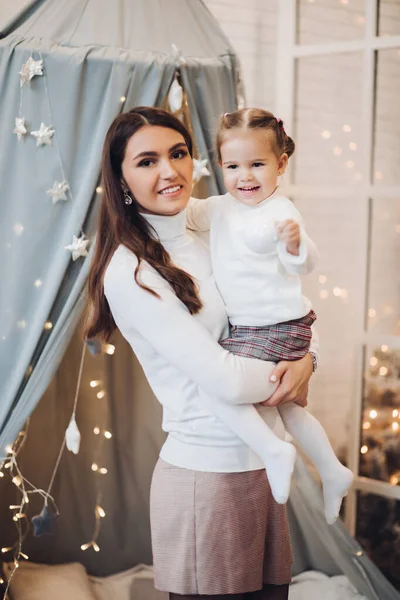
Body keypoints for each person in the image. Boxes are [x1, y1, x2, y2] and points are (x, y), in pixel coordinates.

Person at [85, 106, 318, 600]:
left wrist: (307, 359)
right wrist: (293, 370)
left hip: (259, 460)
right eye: (147, 161)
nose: (169, 171)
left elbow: (280, 306)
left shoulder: (213, 224)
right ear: (121, 178)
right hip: (205, 474)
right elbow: (227, 381)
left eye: (178, 153)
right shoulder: (130, 272)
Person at [186, 107, 353, 524]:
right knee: (289, 406)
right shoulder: (221, 208)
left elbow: (303, 265)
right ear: (221, 166)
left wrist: (293, 244)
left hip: (277, 327)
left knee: (214, 388)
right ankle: (333, 470)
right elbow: (185, 213)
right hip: (255, 329)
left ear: (280, 165)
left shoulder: (281, 212)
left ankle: (274, 451)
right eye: (233, 166)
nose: (246, 177)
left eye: (257, 165)